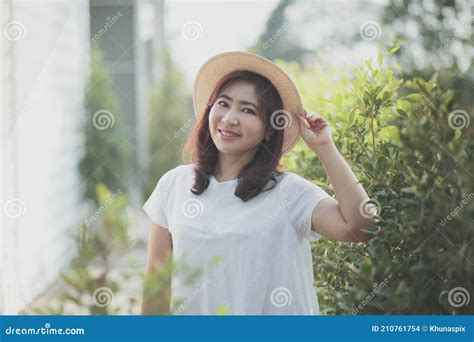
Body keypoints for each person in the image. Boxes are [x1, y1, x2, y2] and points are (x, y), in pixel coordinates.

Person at [141, 51, 376, 315]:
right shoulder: (173, 185)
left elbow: (361, 227)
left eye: (248, 110)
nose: (230, 118)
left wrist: (325, 148)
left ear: (270, 129)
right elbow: (156, 291)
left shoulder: (289, 192)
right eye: (223, 103)